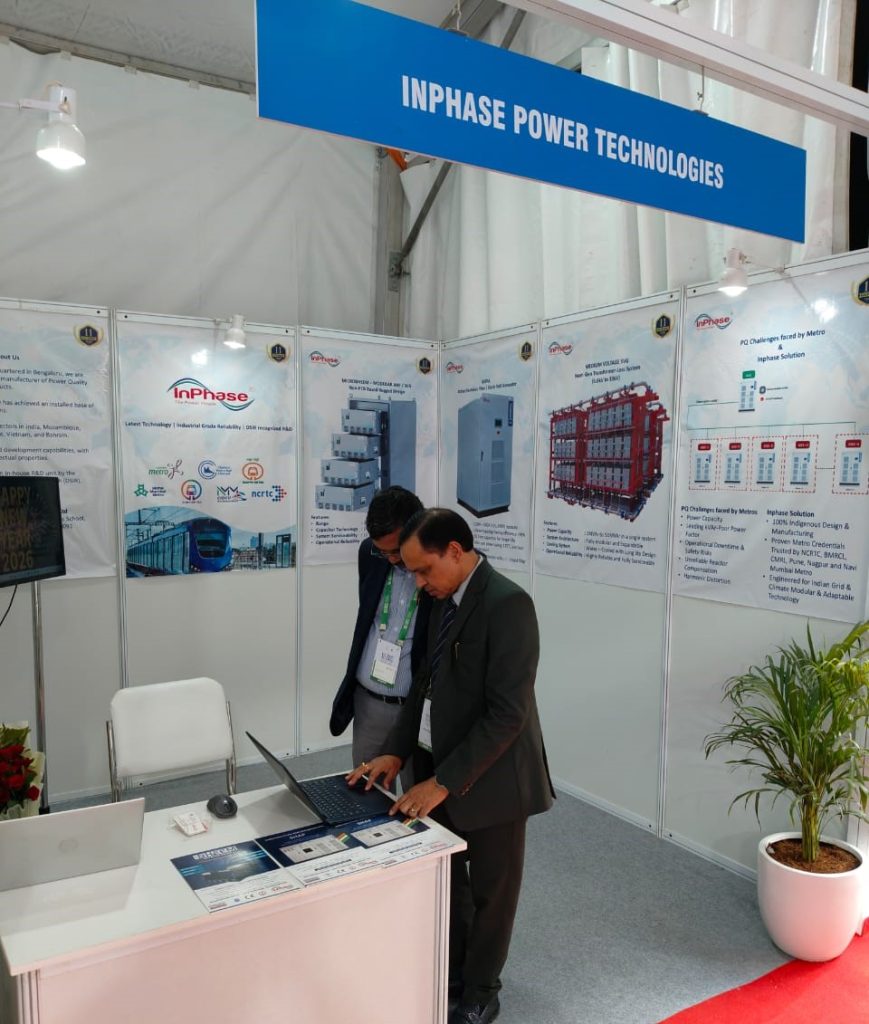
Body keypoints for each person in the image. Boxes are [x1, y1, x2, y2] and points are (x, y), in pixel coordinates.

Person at [348, 508, 554, 1024]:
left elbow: (508, 715)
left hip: (493, 778)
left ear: (456, 552)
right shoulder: (441, 596)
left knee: (492, 892)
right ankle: (456, 969)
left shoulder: (508, 604)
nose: (418, 582)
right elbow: (423, 683)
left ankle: (482, 990)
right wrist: (396, 749)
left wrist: (442, 782)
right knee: (449, 880)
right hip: (436, 764)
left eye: (423, 569)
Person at [330, 486, 432, 793]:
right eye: (382, 551)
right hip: (369, 703)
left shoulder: (436, 567)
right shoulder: (370, 554)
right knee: (367, 790)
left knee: (416, 797)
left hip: (416, 707)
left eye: (396, 551)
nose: (390, 559)